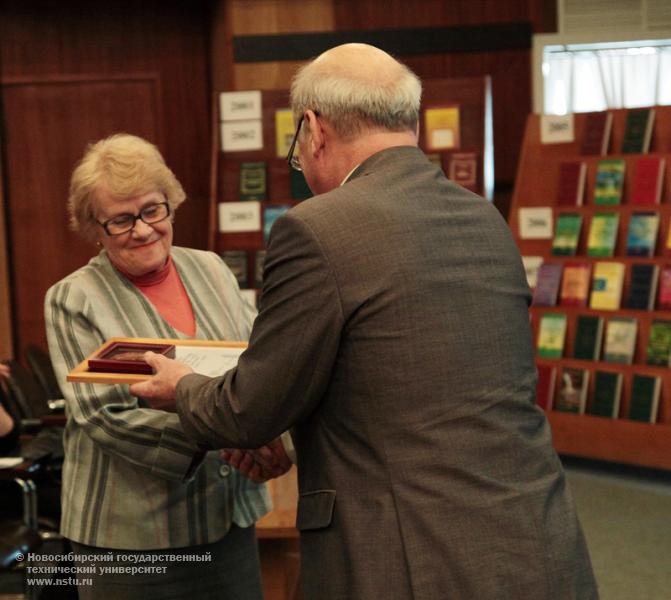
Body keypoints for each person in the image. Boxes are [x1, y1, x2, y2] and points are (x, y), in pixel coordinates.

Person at [132, 44, 599, 599]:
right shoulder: (484, 216)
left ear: (313, 129)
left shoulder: (316, 229)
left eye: (296, 147)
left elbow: (247, 410)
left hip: (406, 560)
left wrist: (181, 387)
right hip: (536, 538)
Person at [44, 133, 282, 600]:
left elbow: (258, 362)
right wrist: (232, 435)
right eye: (121, 219)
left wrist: (269, 430)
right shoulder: (73, 298)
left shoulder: (211, 269)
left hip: (229, 521)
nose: (143, 229)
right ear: (94, 227)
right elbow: (103, 415)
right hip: (131, 542)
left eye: (153, 209)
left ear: (170, 204)